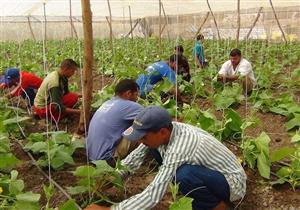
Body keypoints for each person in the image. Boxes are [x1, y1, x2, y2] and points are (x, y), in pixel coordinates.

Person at [85, 106, 247, 210]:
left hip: (232, 183)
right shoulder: (164, 134)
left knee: (183, 175)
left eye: (143, 137)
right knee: (152, 149)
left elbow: (153, 195)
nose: (140, 141)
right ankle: (198, 194)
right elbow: (133, 159)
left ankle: (216, 206)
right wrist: (109, 180)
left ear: (162, 132)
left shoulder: (181, 146)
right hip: (210, 174)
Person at [87, 79, 143, 166]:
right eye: (136, 95)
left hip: (91, 157)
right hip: (107, 159)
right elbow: (151, 117)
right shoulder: (129, 105)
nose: (137, 99)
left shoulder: (107, 103)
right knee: (141, 125)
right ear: (128, 93)